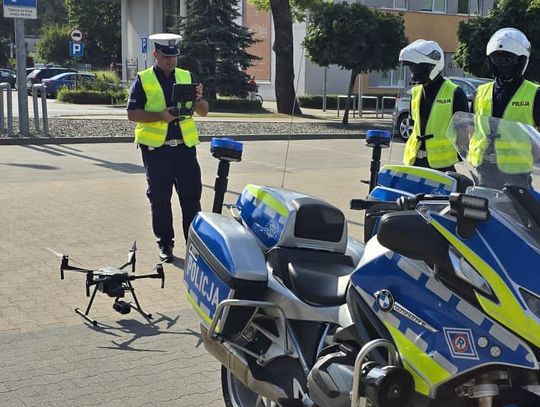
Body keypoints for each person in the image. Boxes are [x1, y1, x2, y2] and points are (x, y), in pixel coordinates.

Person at [127, 33, 209, 263]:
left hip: (185, 150)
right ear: (155, 54)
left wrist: (199, 99)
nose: (171, 60)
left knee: (191, 199)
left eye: (174, 56)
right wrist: (160, 116)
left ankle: (195, 245)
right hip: (157, 151)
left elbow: (204, 111)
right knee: (160, 199)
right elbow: (132, 114)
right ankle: (165, 244)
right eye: (165, 56)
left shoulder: (187, 76)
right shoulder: (143, 80)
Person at [470, 28, 540, 188]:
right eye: (497, 58)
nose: (503, 63)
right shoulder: (480, 92)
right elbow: (473, 129)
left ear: (521, 60)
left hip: (516, 176)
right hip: (484, 171)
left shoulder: (535, 94)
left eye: (508, 58)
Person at [399, 39, 469, 171]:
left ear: (432, 66)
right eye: (411, 67)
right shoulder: (415, 92)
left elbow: (464, 134)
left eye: (417, 67)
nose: (413, 72)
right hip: (413, 161)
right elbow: (414, 127)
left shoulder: (455, 93)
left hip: (442, 166)